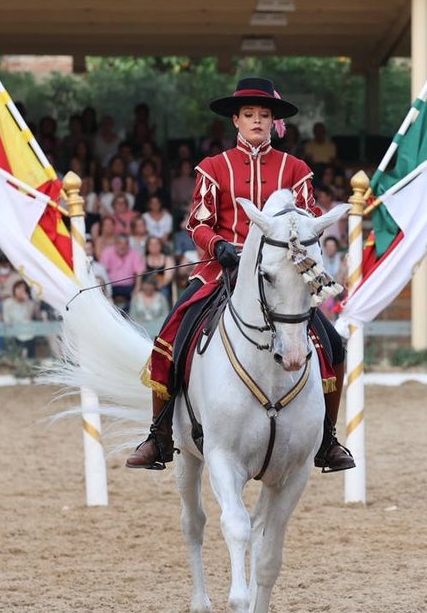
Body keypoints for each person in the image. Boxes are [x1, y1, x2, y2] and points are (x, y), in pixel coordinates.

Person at [127, 77, 354, 473]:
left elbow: (310, 217)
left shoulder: (295, 168)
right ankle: (159, 435)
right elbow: (197, 223)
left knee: (333, 343)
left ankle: (328, 439)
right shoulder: (213, 167)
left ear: (272, 122)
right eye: (249, 114)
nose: (257, 121)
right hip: (221, 269)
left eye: (264, 115)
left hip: (281, 272)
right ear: (236, 119)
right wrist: (218, 247)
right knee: (170, 334)